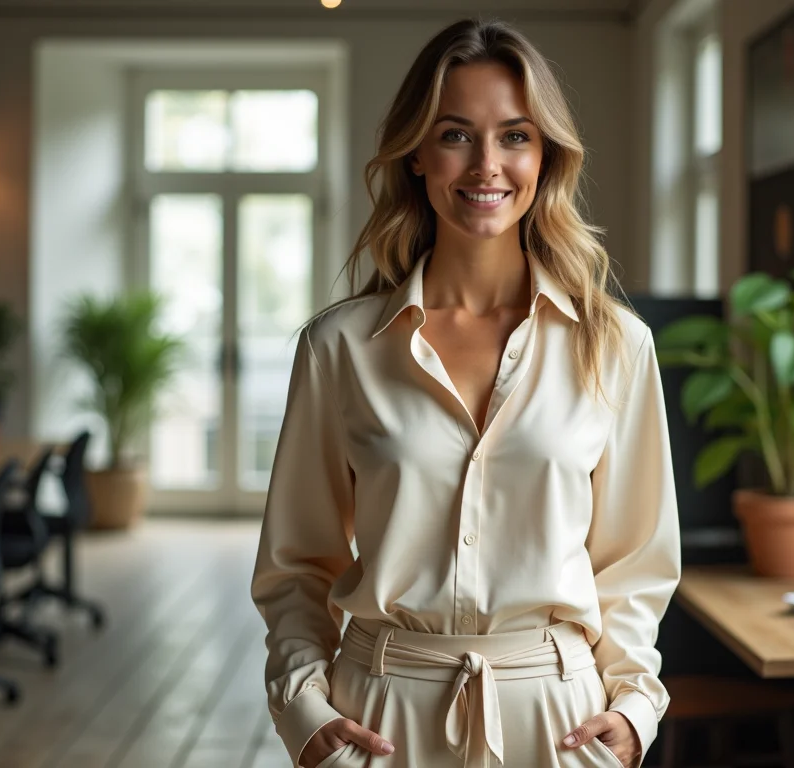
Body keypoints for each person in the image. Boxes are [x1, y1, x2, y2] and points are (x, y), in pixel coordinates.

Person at [251, 18, 680, 768]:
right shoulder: (339, 348)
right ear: (416, 153)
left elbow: (636, 561)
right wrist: (305, 712)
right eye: (456, 134)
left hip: (561, 723)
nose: (487, 164)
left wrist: (636, 707)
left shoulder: (613, 345)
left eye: (515, 136)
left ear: (546, 156)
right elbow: (296, 565)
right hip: (379, 720)